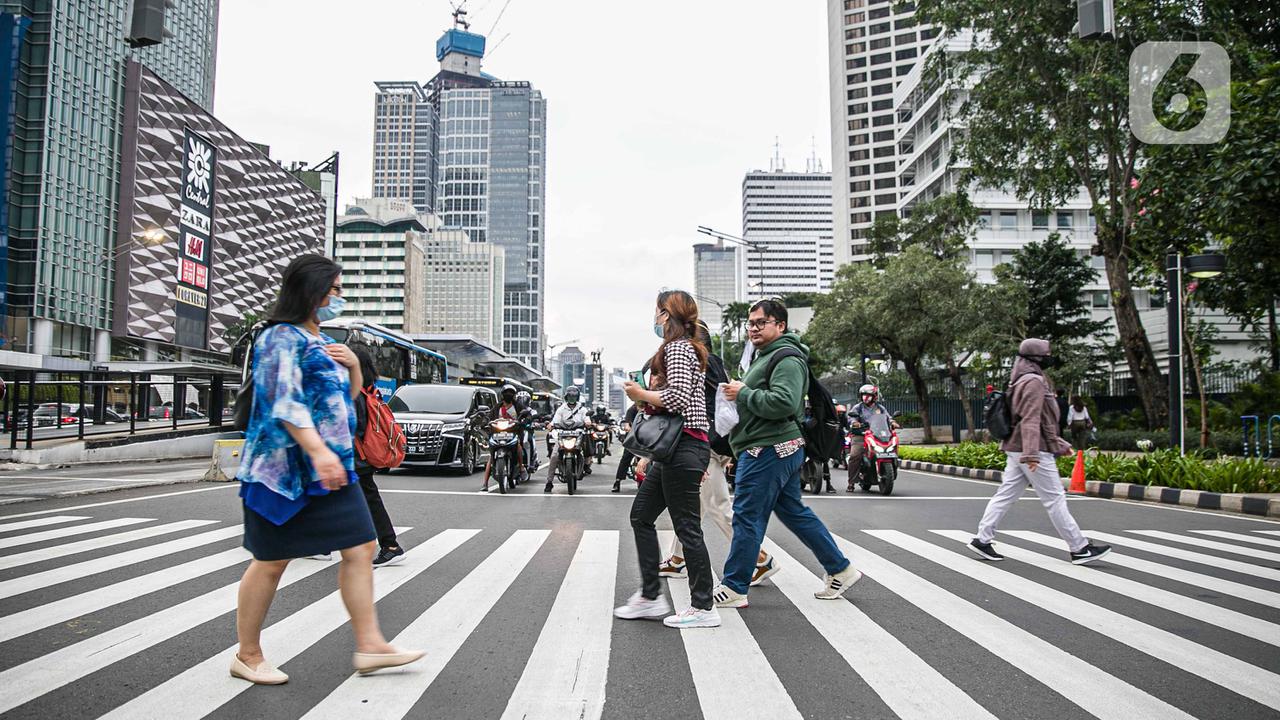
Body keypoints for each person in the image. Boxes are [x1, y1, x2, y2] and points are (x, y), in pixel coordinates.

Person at [233, 254, 421, 686]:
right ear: (311, 291)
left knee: (361, 549)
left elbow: (341, 403)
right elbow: (285, 403)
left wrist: (353, 369)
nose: (339, 297)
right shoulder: (280, 337)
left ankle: (371, 645)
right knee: (271, 561)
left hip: (334, 468)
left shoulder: (319, 341)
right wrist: (317, 451)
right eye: (334, 289)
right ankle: (247, 654)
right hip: (283, 471)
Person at [716, 300, 861, 608]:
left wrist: (744, 393)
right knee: (793, 512)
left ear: (780, 325)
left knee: (746, 516)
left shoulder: (787, 359)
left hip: (769, 448)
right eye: (751, 323)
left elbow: (784, 402)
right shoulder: (764, 356)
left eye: (760, 322)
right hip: (767, 447)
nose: (753, 328)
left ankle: (734, 586)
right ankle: (840, 568)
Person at [614, 290, 719, 629]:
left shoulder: (678, 348)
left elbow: (677, 399)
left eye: (658, 313)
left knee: (687, 527)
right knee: (641, 516)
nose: (655, 319)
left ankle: (703, 607)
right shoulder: (686, 349)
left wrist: (638, 394)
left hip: (684, 445)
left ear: (666, 315)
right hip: (678, 448)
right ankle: (649, 595)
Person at [969, 338, 1112, 565]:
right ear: (1036, 357)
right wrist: (1032, 453)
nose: (1049, 357)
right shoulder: (1034, 381)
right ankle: (1079, 547)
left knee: (1005, 495)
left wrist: (1058, 444)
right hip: (1030, 449)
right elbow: (1031, 419)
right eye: (1046, 354)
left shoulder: (1019, 379)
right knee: (1054, 498)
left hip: (1017, 447)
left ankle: (982, 539)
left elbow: (1041, 420)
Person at [658, 320, 778, 587]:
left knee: (717, 505)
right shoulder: (713, 362)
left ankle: (760, 558)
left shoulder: (703, 361)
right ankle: (678, 559)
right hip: (717, 439)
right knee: (695, 506)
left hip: (707, 443)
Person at [350, 347, 405, 567]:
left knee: (367, 501)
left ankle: (390, 545)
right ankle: (389, 544)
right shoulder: (369, 390)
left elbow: (357, 426)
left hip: (354, 459)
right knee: (365, 500)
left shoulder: (355, 394)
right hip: (360, 459)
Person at [845, 384, 898, 492]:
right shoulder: (858, 407)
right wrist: (855, 423)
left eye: (868, 395)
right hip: (861, 435)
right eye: (864, 394)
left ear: (874, 396)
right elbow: (851, 418)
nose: (865, 397)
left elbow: (888, 417)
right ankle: (851, 482)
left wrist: (893, 422)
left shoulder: (880, 408)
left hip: (877, 434)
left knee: (891, 448)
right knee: (855, 455)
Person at [544, 386, 590, 493]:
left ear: (577, 397)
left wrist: (588, 422)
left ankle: (586, 465)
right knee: (554, 456)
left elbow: (587, 419)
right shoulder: (561, 409)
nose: (572, 398)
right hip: (563, 435)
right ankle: (549, 482)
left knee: (586, 449)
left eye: (574, 396)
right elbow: (555, 420)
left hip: (577, 435)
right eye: (570, 396)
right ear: (566, 397)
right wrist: (551, 425)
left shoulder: (583, 409)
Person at [483, 384, 523, 491]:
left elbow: (525, 415)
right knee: (491, 457)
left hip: (513, 433)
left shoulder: (517, 406)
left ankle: (522, 468)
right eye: (506, 393)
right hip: (497, 434)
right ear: (502, 395)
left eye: (511, 393)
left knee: (519, 446)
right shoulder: (497, 407)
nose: (508, 395)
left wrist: (523, 420)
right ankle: (485, 483)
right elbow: (489, 418)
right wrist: (486, 422)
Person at [614, 403, 639, 493]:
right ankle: (617, 481)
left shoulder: (651, 409)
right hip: (633, 437)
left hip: (646, 437)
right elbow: (627, 424)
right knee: (626, 458)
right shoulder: (631, 410)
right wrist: (628, 427)